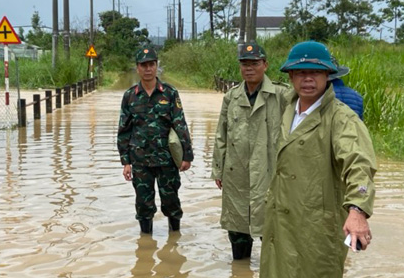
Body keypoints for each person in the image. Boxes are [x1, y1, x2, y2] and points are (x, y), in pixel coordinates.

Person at [257, 40, 377, 278]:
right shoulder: (288, 108)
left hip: (317, 225)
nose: (307, 79)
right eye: (300, 72)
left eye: (315, 72)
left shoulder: (341, 118)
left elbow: (360, 164)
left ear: (328, 77)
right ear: (291, 77)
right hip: (283, 220)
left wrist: (357, 211)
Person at [211, 42, 291, 260]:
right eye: (244, 64)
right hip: (236, 173)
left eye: (254, 63)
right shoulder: (232, 96)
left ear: (265, 65)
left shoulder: (281, 95)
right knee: (238, 233)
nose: (249, 68)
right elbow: (222, 134)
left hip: (269, 171)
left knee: (271, 233)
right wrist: (218, 170)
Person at [117, 46, 193, 234]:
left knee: (171, 202)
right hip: (140, 160)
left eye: (151, 64)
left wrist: (187, 156)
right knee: (143, 205)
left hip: (167, 159)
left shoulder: (170, 93)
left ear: (156, 66)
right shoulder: (130, 96)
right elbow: (124, 130)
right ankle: (145, 244)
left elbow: (180, 124)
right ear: (138, 68)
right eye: (144, 65)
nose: (148, 69)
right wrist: (125, 162)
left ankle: (174, 240)